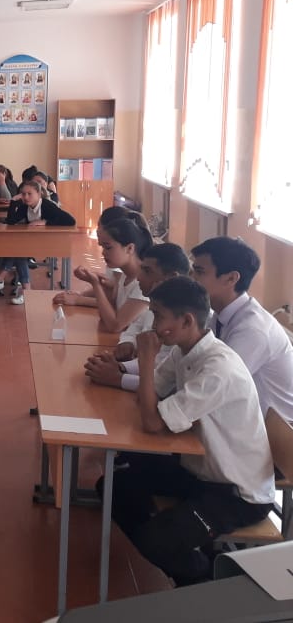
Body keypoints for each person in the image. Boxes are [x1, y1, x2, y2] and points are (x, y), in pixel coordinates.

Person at [100, 276, 274, 587]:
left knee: (156, 541)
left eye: (158, 316)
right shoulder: (185, 351)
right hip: (200, 473)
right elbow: (150, 394)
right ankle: (180, 539)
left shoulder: (218, 368)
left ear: (187, 320)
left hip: (237, 492)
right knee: (114, 484)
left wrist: (147, 358)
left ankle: (206, 582)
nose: (154, 325)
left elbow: (152, 423)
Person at [191, 237, 293, 420]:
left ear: (231, 278)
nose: (192, 279)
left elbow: (213, 388)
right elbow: (197, 364)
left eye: (199, 272)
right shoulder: (220, 315)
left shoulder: (253, 330)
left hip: (270, 431)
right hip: (234, 417)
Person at [84, 242, 190, 390]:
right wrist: (127, 343)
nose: (139, 277)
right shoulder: (159, 305)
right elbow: (136, 327)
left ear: (171, 277)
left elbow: (163, 374)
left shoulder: (183, 318)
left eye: (147, 271)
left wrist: (119, 376)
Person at [0, 180, 76, 305]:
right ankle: (26, 291)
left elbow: (70, 220)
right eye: (23, 194)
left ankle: (0, 280)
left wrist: (45, 222)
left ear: (39, 194)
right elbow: (10, 221)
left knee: (18, 250)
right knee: (19, 251)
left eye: (29, 194)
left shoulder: (47, 205)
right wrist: (13, 201)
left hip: (49, 243)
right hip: (31, 243)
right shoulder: (25, 207)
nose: (25, 197)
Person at [52, 217, 151, 330]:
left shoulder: (143, 283)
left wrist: (96, 284)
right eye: (103, 247)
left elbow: (114, 326)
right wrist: (103, 286)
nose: (103, 253)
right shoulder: (125, 275)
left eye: (108, 247)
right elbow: (106, 316)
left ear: (129, 248)